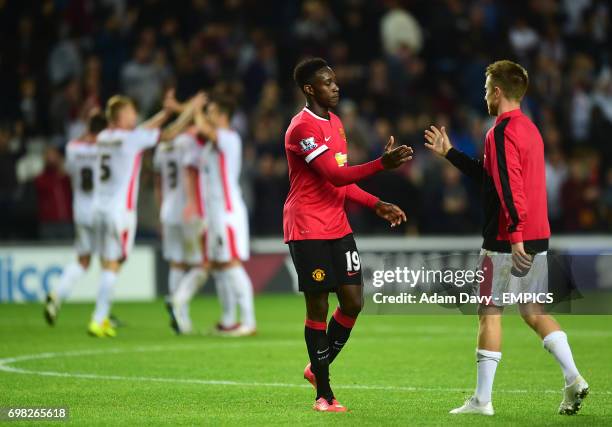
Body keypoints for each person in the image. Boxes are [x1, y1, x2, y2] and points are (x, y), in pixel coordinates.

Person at [424, 59, 588, 416]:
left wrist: (514, 236)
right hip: (537, 233)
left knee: (489, 312)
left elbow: (511, 189)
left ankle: (482, 401)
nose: (484, 95)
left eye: (486, 89)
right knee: (532, 310)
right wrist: (450, 153)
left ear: (497, 92)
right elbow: (493, 177)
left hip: (506, 237)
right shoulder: (531, 130)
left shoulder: (499, 132)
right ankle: (573, 379)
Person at [284, 57, 412, 412]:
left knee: (354, 302)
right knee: (319, 306)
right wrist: (380, 165)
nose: (335, 86)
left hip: (337, 225)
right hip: (307, 227)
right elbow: (336, 176)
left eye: (335, 80)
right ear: (310, 89)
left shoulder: (336, 124)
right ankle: (323, 394)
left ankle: (316, 368)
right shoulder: (301, 129)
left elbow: (340, 182)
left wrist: (375, 204)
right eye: (327, 82)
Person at [88, 91, 203, 337]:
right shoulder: (131, 139)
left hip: (99, 208)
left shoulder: (104, 137)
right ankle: (99, 318)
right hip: (120, 211)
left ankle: (102, 316)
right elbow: (168, 134)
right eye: (130, 111)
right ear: (120, 116)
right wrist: (189, 111)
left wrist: (167, 112)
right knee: (113, 263)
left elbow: (142, 130)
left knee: (111, 262)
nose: (134, 115)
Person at [182, 94, 256, 337]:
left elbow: (202, 127)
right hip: (214, 216)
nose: (207, 115)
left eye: (211, 111)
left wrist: (194, 108)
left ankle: (248, 321)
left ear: (222, 116)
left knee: (231, 263)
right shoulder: (211, 145)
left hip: (227, 213)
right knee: (220, 267)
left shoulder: (229, 138)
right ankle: (228, 320)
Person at [44, 110, 107, 324]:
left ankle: (57, 294)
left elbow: (67, 171)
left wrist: (85, 132)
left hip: (80, 210)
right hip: (101, 210)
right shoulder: (106, 148)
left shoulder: (73, 148)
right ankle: (102, 312)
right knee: (108, 263)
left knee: (82, 260)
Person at [154, 122, 207, 334]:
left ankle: (181, 319)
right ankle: (178, 304)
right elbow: (191, 173)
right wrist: (194, 205)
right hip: (188, 208)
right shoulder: (188, 142)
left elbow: (158, 184)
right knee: (201, 264)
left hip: (168, 210)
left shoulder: (162, 147)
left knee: (176, 264)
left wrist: (160, 212)